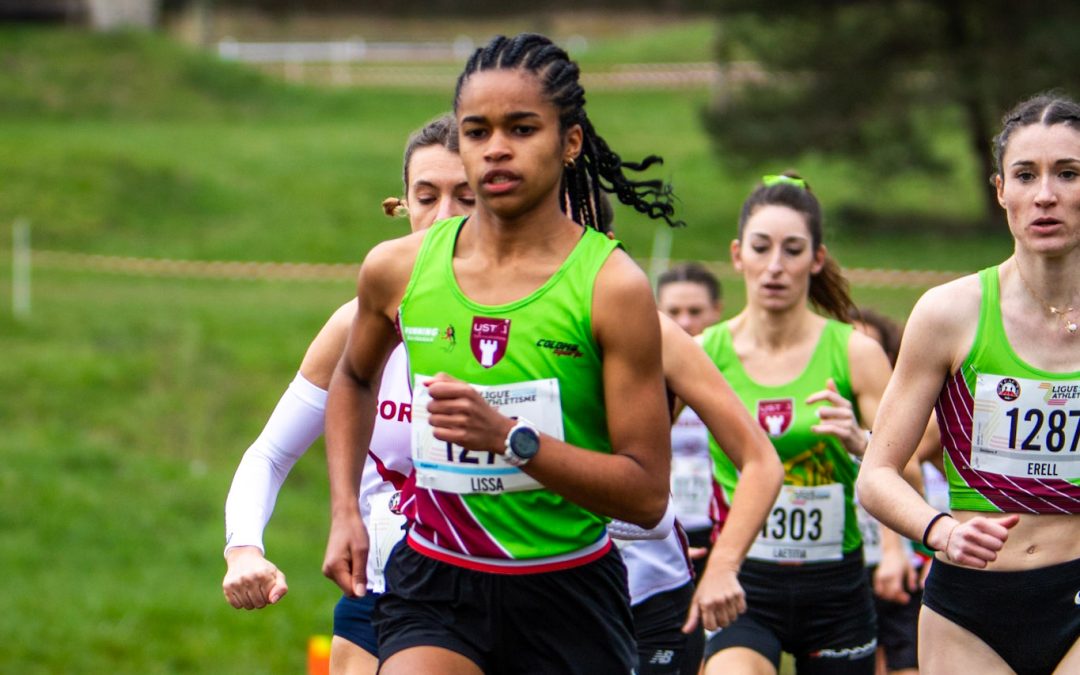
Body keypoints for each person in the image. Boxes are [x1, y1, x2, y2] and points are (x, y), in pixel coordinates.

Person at [322, 33, 681, 674]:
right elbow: (351, 377)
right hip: (435, 578)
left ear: (570, 141)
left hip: (566, 589)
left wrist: (512, 440)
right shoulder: (396, 269)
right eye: (476, 130)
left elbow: (647, 495)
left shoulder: (611, 287)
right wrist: (346, 509)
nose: (496, 149)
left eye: (521, 128)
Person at [221, 114, 474, 675]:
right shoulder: (354, 326)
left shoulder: (529, 321)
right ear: (403, 204)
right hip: (376, 594)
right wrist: (243, 549)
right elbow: (270, 454)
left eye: (467, 197)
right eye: (427, 197)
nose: (445, 216)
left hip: (498, 595)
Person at [857, 93, 1080, 675]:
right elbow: (877, 476)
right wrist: (941, 532)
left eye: (1068, 173)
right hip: (969, 606)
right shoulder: (948, 313)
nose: (1046, 195)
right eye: (1025, 175)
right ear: (1000, 189)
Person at [697, 172, 893, 674]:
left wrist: (860, 440)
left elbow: (907, 466)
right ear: (738, 254)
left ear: (817, 259)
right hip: (742, 578)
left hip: (836, 587)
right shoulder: (704, 354)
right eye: (761, 249)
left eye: (793, 249)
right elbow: (645, 444)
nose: (775, 267)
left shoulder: (856, 352)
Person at [850, 308, 920, 675]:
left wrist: (898, 551)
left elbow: (912, 477)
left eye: (872, 352)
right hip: (841, 565)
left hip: (895, 563)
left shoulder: (910, 417)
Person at [657, 263, 725, 578]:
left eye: (695, 311)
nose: (685, 321)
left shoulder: (736, 373)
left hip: (723, 528)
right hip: (660, 529)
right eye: (674, 311)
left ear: (717, 312)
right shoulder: (637, 379)